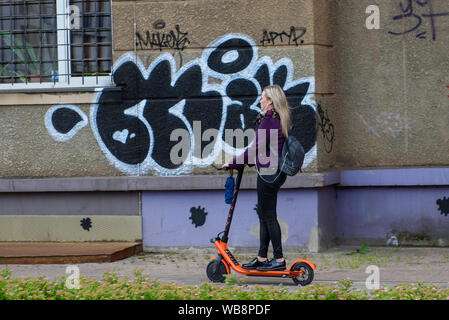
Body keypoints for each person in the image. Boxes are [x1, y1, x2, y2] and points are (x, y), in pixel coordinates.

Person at [222, 84, 291, 271]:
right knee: (264, 215)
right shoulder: (277, 118)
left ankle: (278, 260)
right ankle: (262, 258)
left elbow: (254, 150)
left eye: (262, 97)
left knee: (268, 216)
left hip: (269, 175)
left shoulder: (269, 120)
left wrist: (234, 162)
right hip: (274, 173)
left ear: (270, 101)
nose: (259, 101)